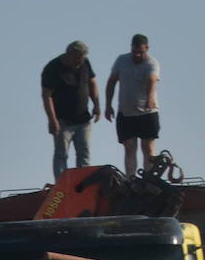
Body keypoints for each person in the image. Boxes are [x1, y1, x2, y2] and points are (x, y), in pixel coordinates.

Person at [41, 40, 100, 178]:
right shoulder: (53, 68)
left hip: (83, 119)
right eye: (77, 58)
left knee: (84, 153)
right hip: (62, 122)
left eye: (82, 58)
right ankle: (62, 184)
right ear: (68, 55)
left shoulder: (85, 63)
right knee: (61, 154)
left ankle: (83, 184)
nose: (80, 61)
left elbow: (92, 83)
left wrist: (97, 105)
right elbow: (46, 96)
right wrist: (52, 120)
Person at [106, 34, 160, 176]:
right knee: (129, 148)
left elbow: (152, 80)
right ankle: (131, 179)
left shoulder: (152, 63)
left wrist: (150, 98)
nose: (137, 55)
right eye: (134, 51)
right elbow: (111, 81)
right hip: (126, 113)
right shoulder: (122, 60)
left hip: (147, 112)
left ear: (146, 48)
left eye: (140, 52)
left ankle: (149, 178)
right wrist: (108, 105)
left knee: (148, 148)